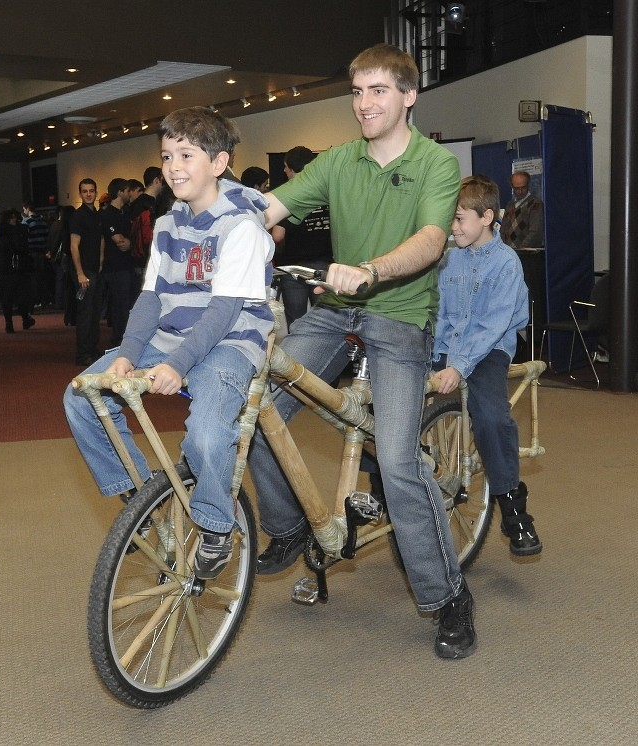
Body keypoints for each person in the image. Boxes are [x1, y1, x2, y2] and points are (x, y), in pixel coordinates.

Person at [249, 43, 475, 659]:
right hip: (335, 311)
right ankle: (292, 527)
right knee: (258, 409)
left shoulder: (435, 164)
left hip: (400, 318)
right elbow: (272, 205)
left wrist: (371, 270)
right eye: (356, 91)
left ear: (408, 96)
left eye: (378, 90)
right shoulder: (338, 161)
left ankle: (447, 597)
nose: (364, 103)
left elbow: (431, 240)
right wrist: (227, 224)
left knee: (398, 462)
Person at [64, 106, 275, 581]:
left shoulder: (241, 225)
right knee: (81, 397)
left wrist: (178, 365)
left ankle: (216, 523)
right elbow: (150, 299)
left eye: (187, 154)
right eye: (167, 155)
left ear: (219, 163)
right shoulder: (166, 225)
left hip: (230, 341)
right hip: (172, 336)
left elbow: (223, 313)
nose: (174, 166)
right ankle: (142, 496)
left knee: (207, 433)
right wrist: (126, 355)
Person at [431, 175, 541, 556]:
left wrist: (459, 366)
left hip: (489, 349)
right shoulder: (448, 258)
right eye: (452, 219)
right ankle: (387, 488)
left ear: (487, 217)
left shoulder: (506, 263)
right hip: (449, 345)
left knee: (491, 415)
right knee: (387, 398)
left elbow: (492, 325)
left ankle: (513, 508)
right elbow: (439, 314)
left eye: (460, 219)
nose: (453, 227)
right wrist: (432, 355)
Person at [270, 146, 334, 327]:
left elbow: (277, 235)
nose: (283, 171)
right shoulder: (326, 191)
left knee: (297, 320)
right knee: (323, 320)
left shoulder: (289, 193)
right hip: (324, 264)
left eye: (285, 166)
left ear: (292, 167)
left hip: (294, 267)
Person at [68, 178, 104, 366]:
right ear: (80, 193)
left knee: (95, 313)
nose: (88, 194)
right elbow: (74, 247)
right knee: (85, 314)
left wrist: (101, 259)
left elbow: (100, 240)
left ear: (96, 192)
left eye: (91, 191)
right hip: (84, 272)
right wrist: (80, 273)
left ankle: (91, 349)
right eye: (85, 191)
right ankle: (82, 354)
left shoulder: (96, 215)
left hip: (95, 270)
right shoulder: (77, 216)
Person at [100, 177, 136, 348]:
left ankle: (125, 339)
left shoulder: (127, 212)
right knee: (120, 306)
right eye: (128, 190)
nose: (130, 194)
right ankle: (118, 341)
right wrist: (130, 242)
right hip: (115, 267)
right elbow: (120, 242)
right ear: (120, 192)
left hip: (127, 265)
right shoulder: (107, 214)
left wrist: (131, 242)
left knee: (128, 304)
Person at [0, 209, 35, 333]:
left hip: (3, 268)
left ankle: (9, 323)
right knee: (20, 296)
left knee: (6, 298)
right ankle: (25, 318)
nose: (14, 220)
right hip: (18, 267)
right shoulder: (20, 231)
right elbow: (24, 249)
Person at [499, 170, 544, 249]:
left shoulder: (535, 204)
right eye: (516, 188)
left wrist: (521, 249)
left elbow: (535, 232)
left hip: (527, 253)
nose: (520, 191)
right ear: (512, 187)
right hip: (509, 252)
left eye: (523, 187)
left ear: (528, 185)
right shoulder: (510, 205)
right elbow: (503, 230)